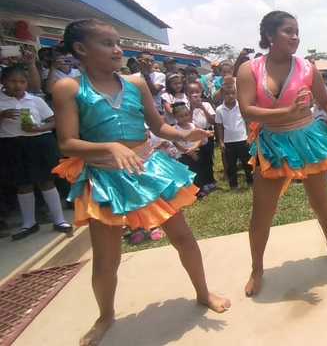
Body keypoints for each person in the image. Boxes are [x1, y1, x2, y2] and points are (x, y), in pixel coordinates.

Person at [49, 19, 230, 346]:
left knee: (184, 239)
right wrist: (110, 147)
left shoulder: (136, 82)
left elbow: (160, 127)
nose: (117, 49)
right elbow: (67, 143)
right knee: (107, 260)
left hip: (149, 172)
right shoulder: (70, 88)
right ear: (80, 49)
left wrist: (186, 132)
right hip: (105, 178)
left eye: (118, 42)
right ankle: (105, 315)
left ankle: (203, 293)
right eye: (106, 43)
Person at [237, 10, 327, 296]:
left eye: (296, 31)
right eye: (288, 31)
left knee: (321, 203)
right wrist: (286, 111)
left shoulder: (306, 67)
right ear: (269, 35)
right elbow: (246, 109)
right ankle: (257, 268)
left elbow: (325, 100)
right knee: (262, 213)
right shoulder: (249, 69)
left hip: (307, 140)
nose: (295, 36)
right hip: (273, 143)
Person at [0, 64, 71, 240]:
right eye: (13, 81)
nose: (18, 85)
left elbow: (53, 121)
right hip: (12, 144)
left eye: (22, 81)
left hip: (38, 143)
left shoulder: (35, 100)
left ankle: (59, 219)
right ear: (3, 82)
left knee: (46, 181)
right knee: (23, 184)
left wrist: (38, 128)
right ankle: (28, 223)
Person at [215, 80, 253, 190]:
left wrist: (249, 136)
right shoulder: (219, 110)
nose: (230, 96)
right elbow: (219, 126)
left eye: (233, 93)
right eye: (227, 94)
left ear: (236, 93)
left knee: (247, 163)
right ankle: (233, 185)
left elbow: (247, 122)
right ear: (222, 95)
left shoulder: (241, 106)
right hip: (228, 142)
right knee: (231, 165)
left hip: (242, 139)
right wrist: (221, 141)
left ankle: (251, 181)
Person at [186, 82, 217, 193]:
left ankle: (211, 181)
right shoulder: (186, 106)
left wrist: (202, 108)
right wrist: (192, 109)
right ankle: (202, 183)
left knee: (208, 158)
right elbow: (187, 122)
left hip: (207, 133)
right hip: (194, 136)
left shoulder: (207, 105)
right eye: (191, 93)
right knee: (199, 160)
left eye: (197, 92)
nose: (195, 95)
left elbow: (212, 120)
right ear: (187, 94)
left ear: (201, 92)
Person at [171, 102, 207, 198]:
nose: (184, 118)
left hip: (196, 152)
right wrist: (187, 151)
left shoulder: (192, 126)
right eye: (181, 116)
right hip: (183, 155)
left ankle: (201, 190)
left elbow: (200, 138)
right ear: (175, 117)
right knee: (188, 173)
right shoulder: (174, 129)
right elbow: (175, 142)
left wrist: (193, 149)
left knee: (198, 171)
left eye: (186, 115)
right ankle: (190, 192)